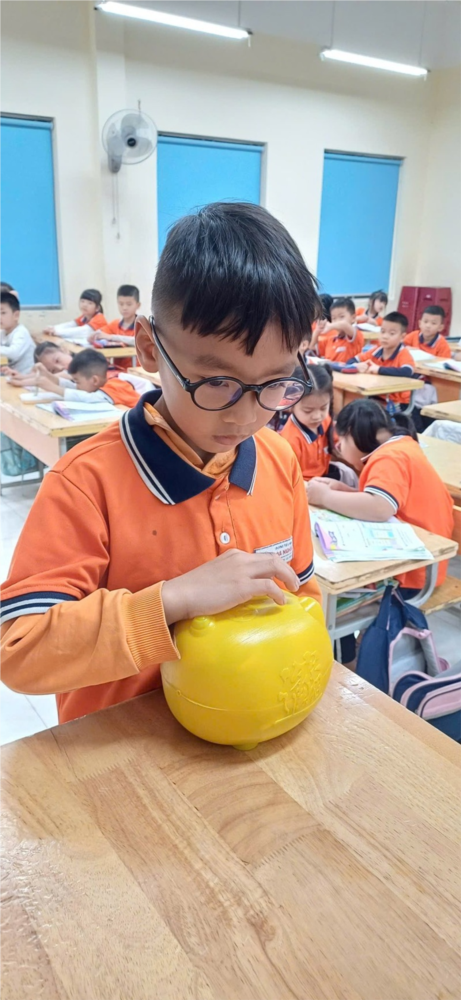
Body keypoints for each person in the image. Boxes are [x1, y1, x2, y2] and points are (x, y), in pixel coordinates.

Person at [0, 202, 322, 724]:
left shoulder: (278, 458)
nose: (245, 416)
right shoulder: (86, 483)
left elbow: (301, 594)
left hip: (251, 731)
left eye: (276, 382)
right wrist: (172, 600)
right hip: (125, 756)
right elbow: (21, 651)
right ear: (149, 347)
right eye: (217, 382)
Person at [307, 398, 454, 666]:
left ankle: (346, 666)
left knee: (328, 595)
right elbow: (385, 502)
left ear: (353, 434)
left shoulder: (389, 457)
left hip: (410, 574)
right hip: (420, 562)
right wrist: (344, 491)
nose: (339, 448)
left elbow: (380, 507)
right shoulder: (400, 446)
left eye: (341, 441)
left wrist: (325, 497)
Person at [280, 364, 357, 485]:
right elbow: (289, 479)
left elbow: (338, 442)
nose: (317, 416)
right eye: (308, 411)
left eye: (323, 408)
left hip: (324, 473)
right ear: (290, 406)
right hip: (305, 484)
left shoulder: (325, 420)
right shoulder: (290, 440)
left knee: (349, 474)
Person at [12, 347, 141, 407]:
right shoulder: (98, 383)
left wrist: (53, 388)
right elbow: (77, 388)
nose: (76, 385)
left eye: (78, 381)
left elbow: (89, 397)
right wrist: (50, 377)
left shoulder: (116, 385)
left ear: (94, 380)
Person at [340, 311, 416, 410]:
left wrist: (379, 369)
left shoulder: (403, 353)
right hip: (376, 395)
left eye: (391, 333)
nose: (385, 336)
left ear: (402, 337)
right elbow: (352, 360)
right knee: (348, 396)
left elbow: (407, 371)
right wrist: (357, 366)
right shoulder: (377, 350)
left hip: (397, 402)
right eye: (382, 331)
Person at [312, 297, 363, 363]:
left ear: (353, 318)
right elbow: (312, 346)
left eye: (341, 317)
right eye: (334, 318)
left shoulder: (356, 336)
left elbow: (344, 325)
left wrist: (330, 326)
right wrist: (317, 331)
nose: (337, 321)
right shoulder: (331, 340)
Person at [0, 292, 35, 374]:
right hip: (11, 376)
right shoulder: (3, 332)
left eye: (3, 313)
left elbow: (14, 353)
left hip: (27, 378)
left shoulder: (21, 332)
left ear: (16, 315)